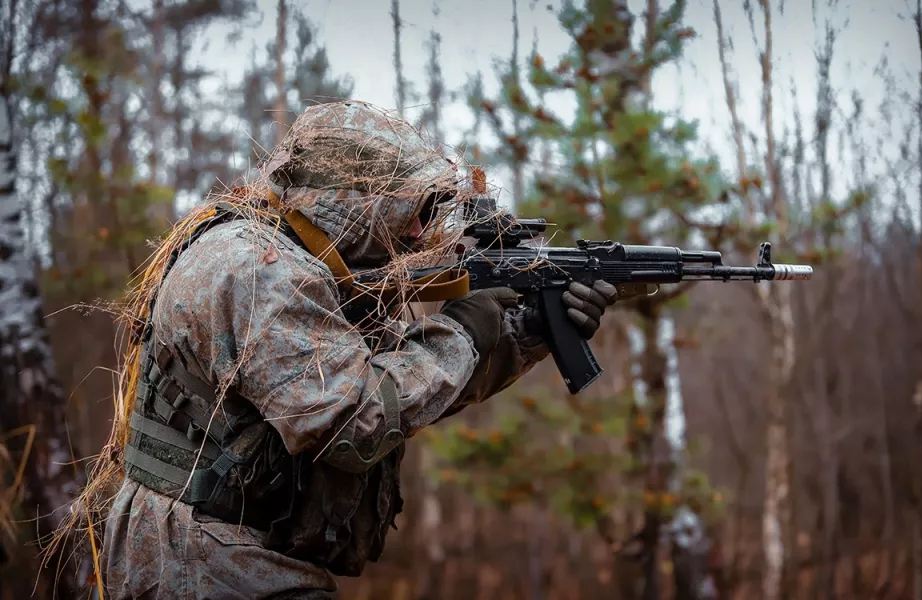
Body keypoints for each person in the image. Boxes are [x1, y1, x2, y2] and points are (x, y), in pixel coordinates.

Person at [100, 101, 618, 599]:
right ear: (351, 202)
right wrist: (466, 327)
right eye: (409, 210)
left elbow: (407, 393)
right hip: (204, 558)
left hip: (237, 550)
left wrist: (523, 331)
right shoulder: (259, 269)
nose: (418, 230)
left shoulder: (319, 267)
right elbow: (356, 420)